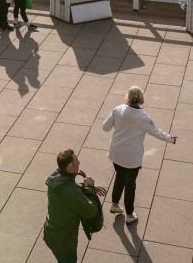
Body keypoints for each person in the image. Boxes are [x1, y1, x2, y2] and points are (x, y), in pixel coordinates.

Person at [100, 86, 175, 225]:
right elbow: (156, 132)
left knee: (119, 176)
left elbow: (105, 127)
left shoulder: (117, 110)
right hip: (132, 157)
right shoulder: (144, 117)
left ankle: (114, 204)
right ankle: (129, 215)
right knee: (130, 184)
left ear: (127, 96)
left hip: (116, 152)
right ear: (140, 99)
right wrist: (171, 138)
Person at [43, 149, 106, 263]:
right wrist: (89, 188)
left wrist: (86, 187)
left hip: (52, 233)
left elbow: (71, 189)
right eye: (77, 161)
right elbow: (91, 210)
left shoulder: (57, 178)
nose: (79, 162)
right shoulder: (70, 192)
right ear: (70, 168)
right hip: (63, 242)